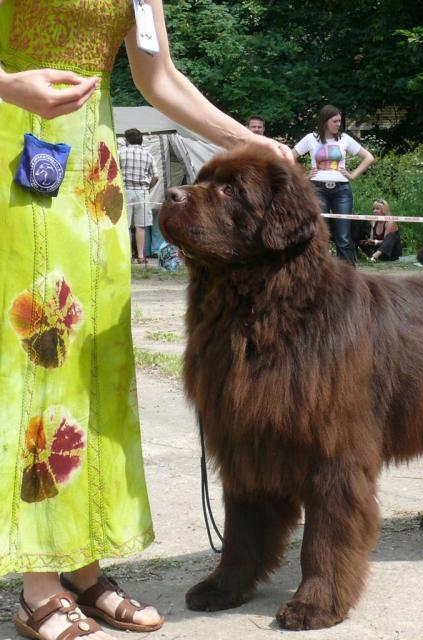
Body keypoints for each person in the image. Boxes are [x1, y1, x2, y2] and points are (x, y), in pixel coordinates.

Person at [0, 2, 290, 640]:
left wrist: (250, 141)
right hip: (12, 153)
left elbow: (161, 79)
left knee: (95, 365)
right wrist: (6, 84)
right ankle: (37, 584)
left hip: (92, 178)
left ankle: (83, 566)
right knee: (39, 361)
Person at [293, 104, 374, 266]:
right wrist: (302, 177)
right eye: (335, 121)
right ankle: (318, 272)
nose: (339, 124)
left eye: (340, 121)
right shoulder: (311, 138)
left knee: (343, 237)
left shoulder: (344, 139)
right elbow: (289, 156)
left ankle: (350, 277)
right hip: (317, 189)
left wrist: (353, 175)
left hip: (342, 190)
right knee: (318, 234)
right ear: (325, 121)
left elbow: (368, 157)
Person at [119, 128, 159, 264]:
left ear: (126, 140)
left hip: (125, 190)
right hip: (142, 192)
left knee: (125, 225)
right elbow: (156, 176)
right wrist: (148, 188)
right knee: (141, 226)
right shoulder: (148, 155)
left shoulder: (120, 152)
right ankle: (141, 256)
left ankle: (127, 255)